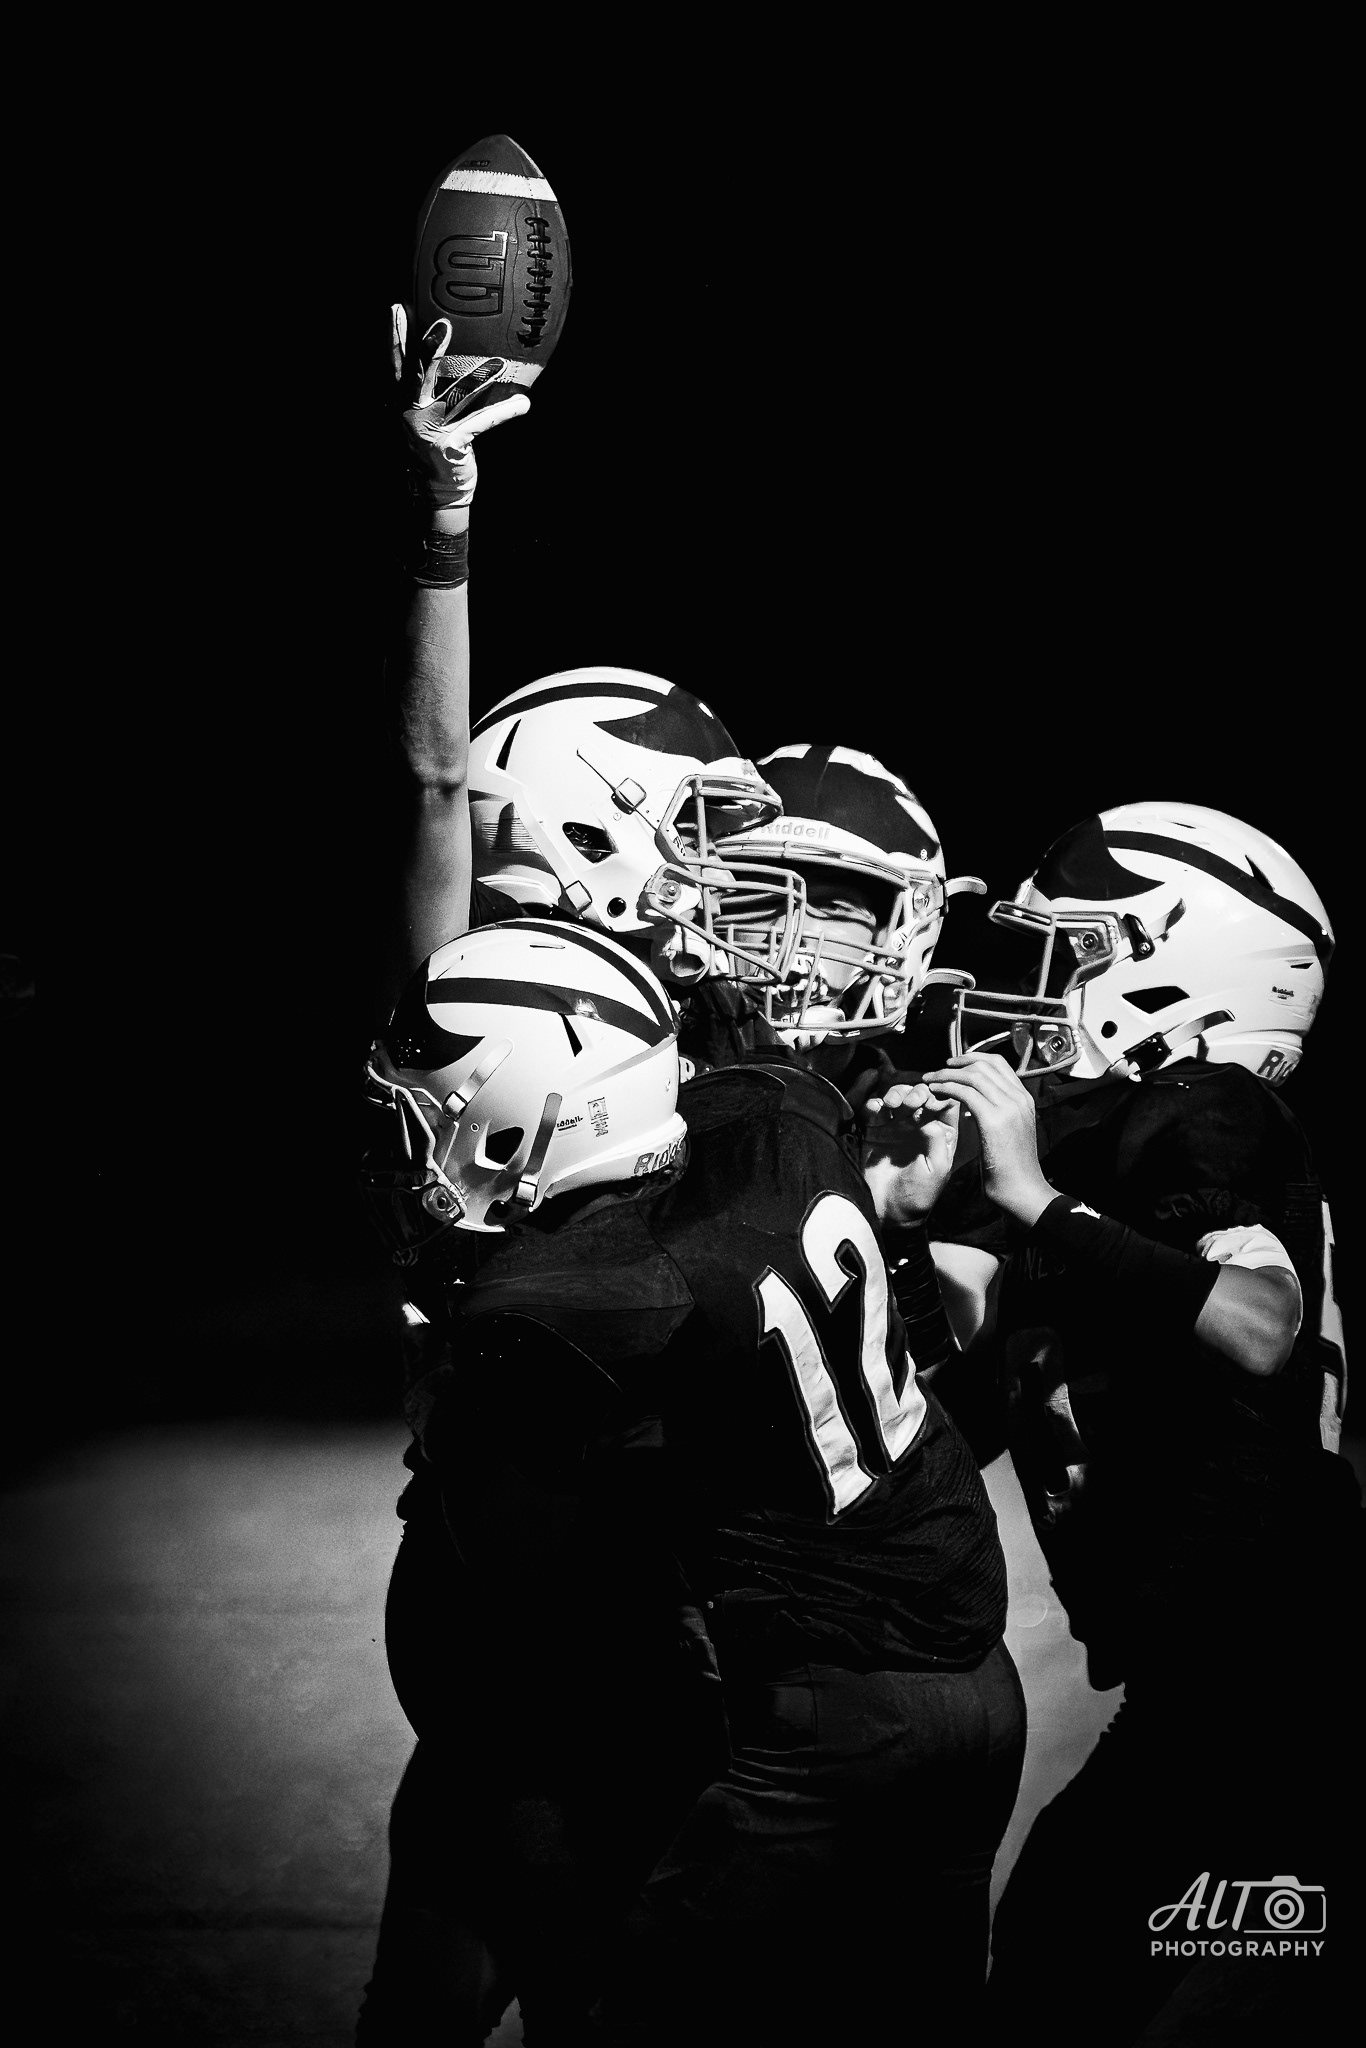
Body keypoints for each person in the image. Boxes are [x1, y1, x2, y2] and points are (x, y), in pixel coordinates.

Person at [361, 920, 1024, 2043]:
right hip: (975, 1675)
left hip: (816, 1721)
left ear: (527, 1115)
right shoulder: (777, 1109)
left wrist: (448, 1399)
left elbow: (521, 1581)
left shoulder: (561, 1306)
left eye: (422, 1115)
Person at [907, 802, 1358, 2043]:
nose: (1037, 990)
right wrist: (912, 1231)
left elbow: (1256, 1322)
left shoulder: (1204, 1104)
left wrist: (1031, 1199)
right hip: (1223, 1676)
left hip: (1269, 1669)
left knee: (1066, 1964)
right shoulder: (1110, 1163)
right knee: (1077, 1954)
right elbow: (968, 1420)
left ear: (1174, 974)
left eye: (1074, 953)